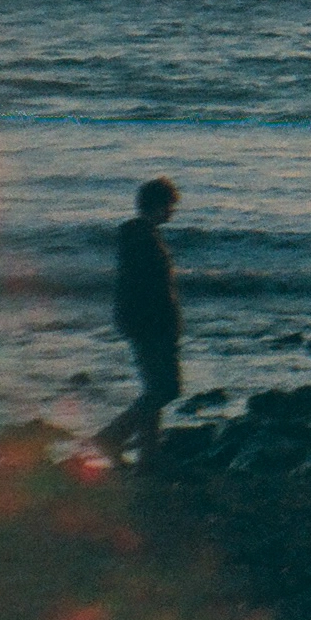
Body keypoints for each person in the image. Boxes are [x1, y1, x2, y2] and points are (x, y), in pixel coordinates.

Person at [94, 178, 183, 466]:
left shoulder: (139, 236)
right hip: (150, 324)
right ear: (158, 205)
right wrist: (166, 323)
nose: (172, 211)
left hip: (143, 322)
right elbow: (150, 289)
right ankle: (111, 437)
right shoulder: (143, 239)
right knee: (166, 389)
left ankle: (148, 455)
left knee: (154, 389)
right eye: (170, 205)